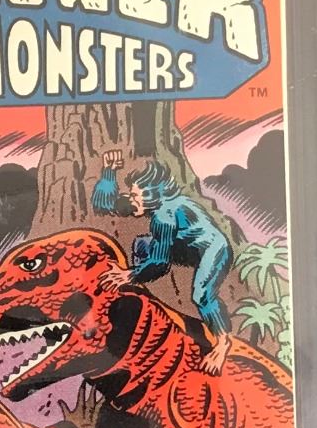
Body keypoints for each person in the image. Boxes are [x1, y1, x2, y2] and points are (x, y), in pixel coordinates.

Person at [96, 156, 235, 373]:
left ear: (151, 196)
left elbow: (160, 262)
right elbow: (106, 205)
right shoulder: (150, 204)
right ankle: (141, 291)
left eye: (134, 196)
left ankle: (223, 342)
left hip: (214, 250)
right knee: (142, 245)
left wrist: (128, 275)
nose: (131, 199)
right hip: (185, 245)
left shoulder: (163, 216)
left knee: (201, 294)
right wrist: (108, 173)